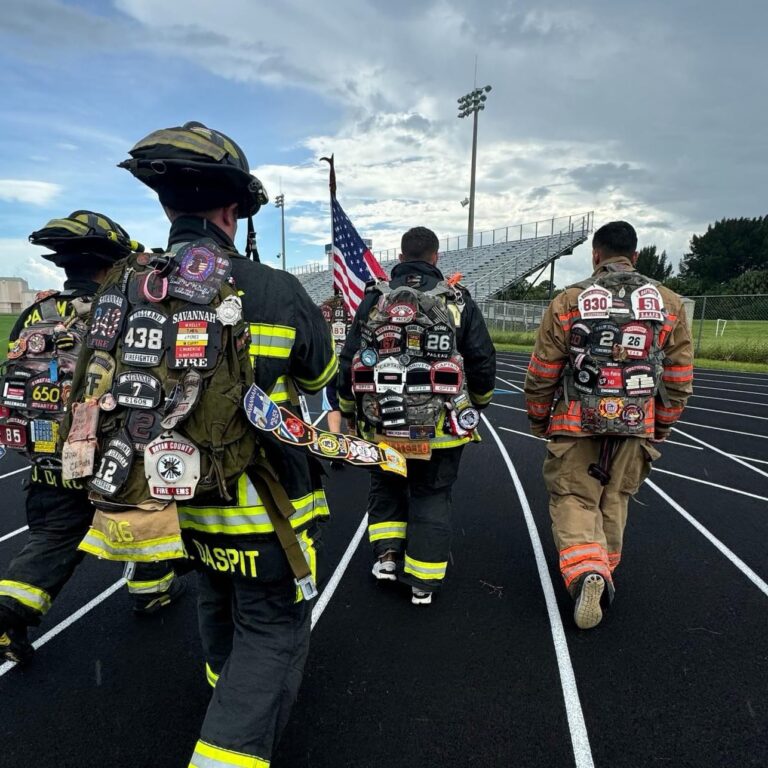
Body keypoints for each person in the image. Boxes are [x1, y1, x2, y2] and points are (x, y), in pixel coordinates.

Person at [117, 122, 337, 768]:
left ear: (167, 209)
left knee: (214, 596)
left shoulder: (128, 289)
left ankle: (225, 688)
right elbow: (320, 378)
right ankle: (233, 737)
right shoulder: (276, 290)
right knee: (271, 628)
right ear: (232, 212)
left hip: (173, 509)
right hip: (265, 515)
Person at [0, 211, 184, 665]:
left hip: (48, 456)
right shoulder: (124, 309)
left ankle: (8, 617)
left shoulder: (37, 313)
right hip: (115, 454)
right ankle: (151, 591)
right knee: (146, 513)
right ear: (112, 264)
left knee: (52, 538)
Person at [524, 221, 693, 629]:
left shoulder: (569, 301)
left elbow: (543, 371)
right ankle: (605, 571)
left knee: (573, 498)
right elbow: (679, 377)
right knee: (615, 498)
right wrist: (661, 425)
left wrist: (539, 418)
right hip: (637, 424)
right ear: (635, 256)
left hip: (576, 423)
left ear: (595, 255)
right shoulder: (670, 304)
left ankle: (587, 571)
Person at [338, 226, 496, 605]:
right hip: (440, 429)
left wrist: (347, 410)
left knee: (386, 487)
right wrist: (478, 403)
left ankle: (387, 558)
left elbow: (349, 359)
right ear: (435, 257)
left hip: (381, 424)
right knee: (432, 494)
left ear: (400, 256)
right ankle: (423, 582)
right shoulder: (458, 300)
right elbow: (481, 358)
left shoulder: (375, 298)